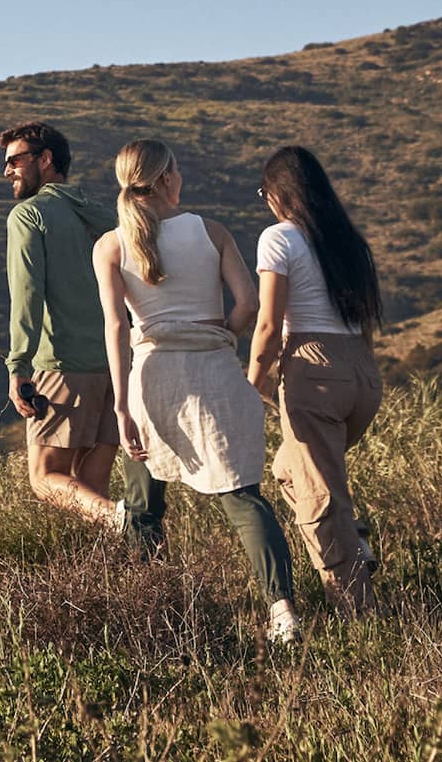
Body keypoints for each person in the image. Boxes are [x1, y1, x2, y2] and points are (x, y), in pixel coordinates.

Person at [94, 139, 301, 644]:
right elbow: (249, 303)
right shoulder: (211, 231)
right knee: (241, 495)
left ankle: (156, 614)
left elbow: (116, 329)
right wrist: (222, 334)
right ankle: (282, 611)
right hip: (212, 371)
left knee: (143, 505)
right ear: (166, 180)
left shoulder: (110, 244)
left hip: (151, 377)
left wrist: (120, 406)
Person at [247, 145, 384, 616]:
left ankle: (359, 612)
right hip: (362, 373)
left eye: (265, 192)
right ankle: (356, 543)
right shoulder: (348, 241)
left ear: (279, 194)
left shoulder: (278, 239)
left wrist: (250, 386)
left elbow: (268, 326)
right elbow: (364, 325)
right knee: (290, 469)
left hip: (313, 367)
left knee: (318, 496)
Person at [1, 120, 128, 526]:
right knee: (90, 485)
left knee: (44, 479)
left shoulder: (29, 215)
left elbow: (27, 296)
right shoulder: (105, 216)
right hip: (116, 367)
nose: (7, 171)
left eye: (15, 161)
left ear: (46, 159)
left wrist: (18, 367)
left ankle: (122, 521)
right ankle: (117, 572)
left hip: (62, 364)